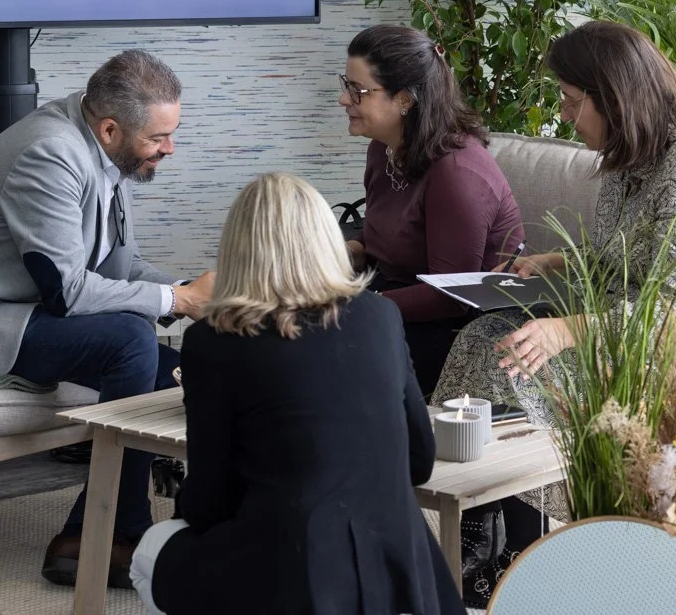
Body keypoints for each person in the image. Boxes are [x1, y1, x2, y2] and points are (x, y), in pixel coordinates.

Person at [433, 20, 676, 605]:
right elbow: (631, 255)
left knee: (526, 365)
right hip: (625, 330)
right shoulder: (625, 161)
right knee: (485, 339)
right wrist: (561, 260)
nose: (565, 115)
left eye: (570, 100)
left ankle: (526, 546)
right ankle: (485, 535)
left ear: (613, 97)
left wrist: (565, 330)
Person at [0, 50, 215, 589]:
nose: (169, 148)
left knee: (183, 372)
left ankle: (93, 535)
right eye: (159, 138)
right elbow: (66, 290)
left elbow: (120, 267)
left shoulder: (99, 150)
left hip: (22, 308)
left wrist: (197, 294)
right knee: (131, 341)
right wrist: (175, 302)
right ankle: (112, 530)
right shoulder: (51, 153)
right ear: (111, 128)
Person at [129, 173, 465, 615]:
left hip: (293, 574)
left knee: (151, 550)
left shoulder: (213, 339)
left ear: (238, 250)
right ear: (327, 238)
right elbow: (418, 462)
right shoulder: (380, 314)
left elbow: (211, 500)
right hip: (402, 573)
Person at [341, 24, 524, 397]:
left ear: (405, 100)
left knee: (322, 349)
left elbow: (451, 295)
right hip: (394, 300)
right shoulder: (383, 149)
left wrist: (357, 308)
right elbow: (389, 236)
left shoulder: (457, 172)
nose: (344, 99)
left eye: (357, 91)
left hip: (456, 327)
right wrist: (350, 251)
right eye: (345, 85)